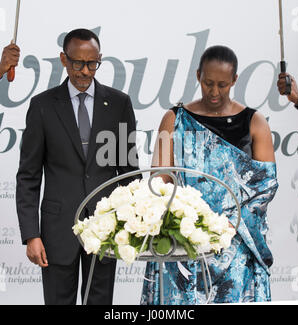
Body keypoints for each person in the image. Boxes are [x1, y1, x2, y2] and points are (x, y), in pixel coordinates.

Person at [141, 45, 278, 304]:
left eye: (223, 85)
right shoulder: (174, 119)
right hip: (184, 241)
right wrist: (180, 217)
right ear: (198, 76)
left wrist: (229, 223)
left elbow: (266, 186)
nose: (214, 92)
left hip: (236, 242)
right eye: (208, 83)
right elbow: (160, 179)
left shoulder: (255, 122)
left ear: (235, 80)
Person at [16, 28, 139, 305]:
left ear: (99, 60)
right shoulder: (42, 106)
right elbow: (28, 176)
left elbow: (128, 170)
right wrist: (31, 235)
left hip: (107, 228)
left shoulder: (119, 104)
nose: (85, 71)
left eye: (92, 63)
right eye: (77, 63)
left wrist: (130, 224)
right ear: (63, 59)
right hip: (57, 231)